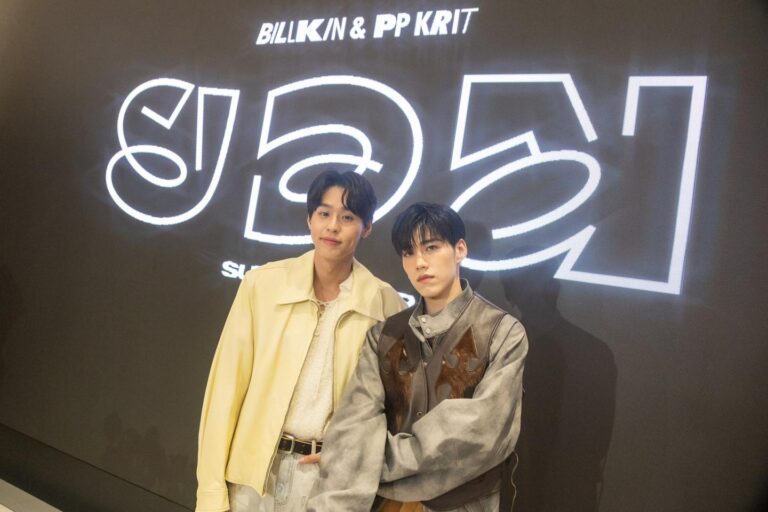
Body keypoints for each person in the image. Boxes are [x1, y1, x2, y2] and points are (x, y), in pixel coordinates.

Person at [195, 170, 405, 512]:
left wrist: (355, 454)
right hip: (252, 477)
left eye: (347, 217)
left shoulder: (385, 305)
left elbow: (391, 409)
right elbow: (224, 392)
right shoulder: (262, 286)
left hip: (327, 482)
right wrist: (211, 492)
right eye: (324, 213)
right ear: (309, 219)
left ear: (366, 227)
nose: (332, 226)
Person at [307, 202, 528, 512]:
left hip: (462, 504)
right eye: (408, 252)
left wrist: (365, 461)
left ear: (460, 249)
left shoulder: (502, 332)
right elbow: (354, 423)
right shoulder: (383, 335)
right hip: (384, 504)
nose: (420, 263)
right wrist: (349, 457)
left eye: (431, 247)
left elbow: (480, 433)